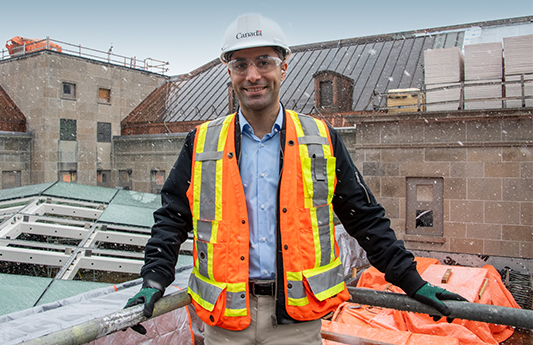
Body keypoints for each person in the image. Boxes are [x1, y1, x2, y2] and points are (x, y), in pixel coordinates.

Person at [125, 14, 466, 344]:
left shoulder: (321, 138)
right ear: (229, 72)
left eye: (264, 62)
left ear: (284, 68)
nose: (252, 75)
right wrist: (154, 280)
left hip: (296, 323)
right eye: (240, 65)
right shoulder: (202, 142)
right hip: (226, 323)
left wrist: (412, 281)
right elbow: (172, 217)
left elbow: (364, 216)